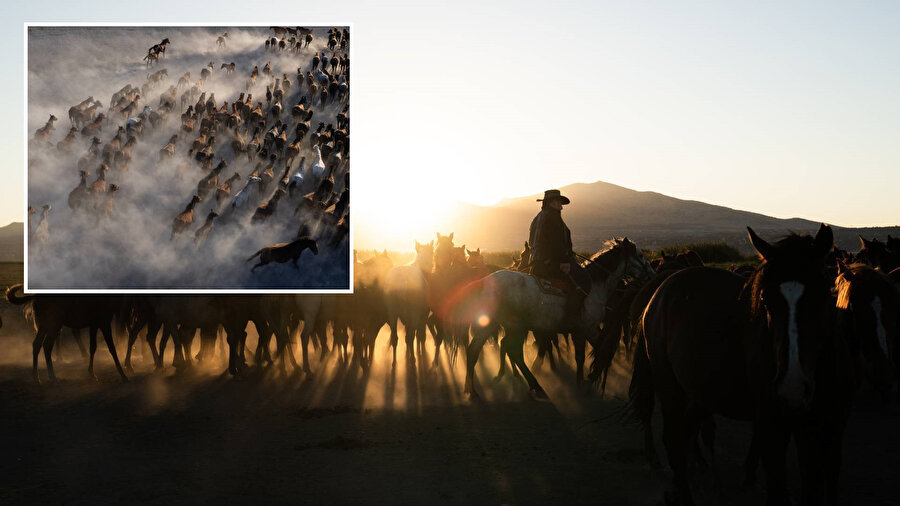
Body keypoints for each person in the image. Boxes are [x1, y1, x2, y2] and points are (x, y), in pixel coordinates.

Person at [528, 189, 590, 327]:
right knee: (583, 280)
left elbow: (532, 242)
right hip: (551, 263)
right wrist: (564, 261)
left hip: (536, 263)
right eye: (559, 202)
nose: (561, 206)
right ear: (552, 202)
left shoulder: (537, 218)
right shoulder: (553, 217)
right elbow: (557, 243)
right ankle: (571, 317)